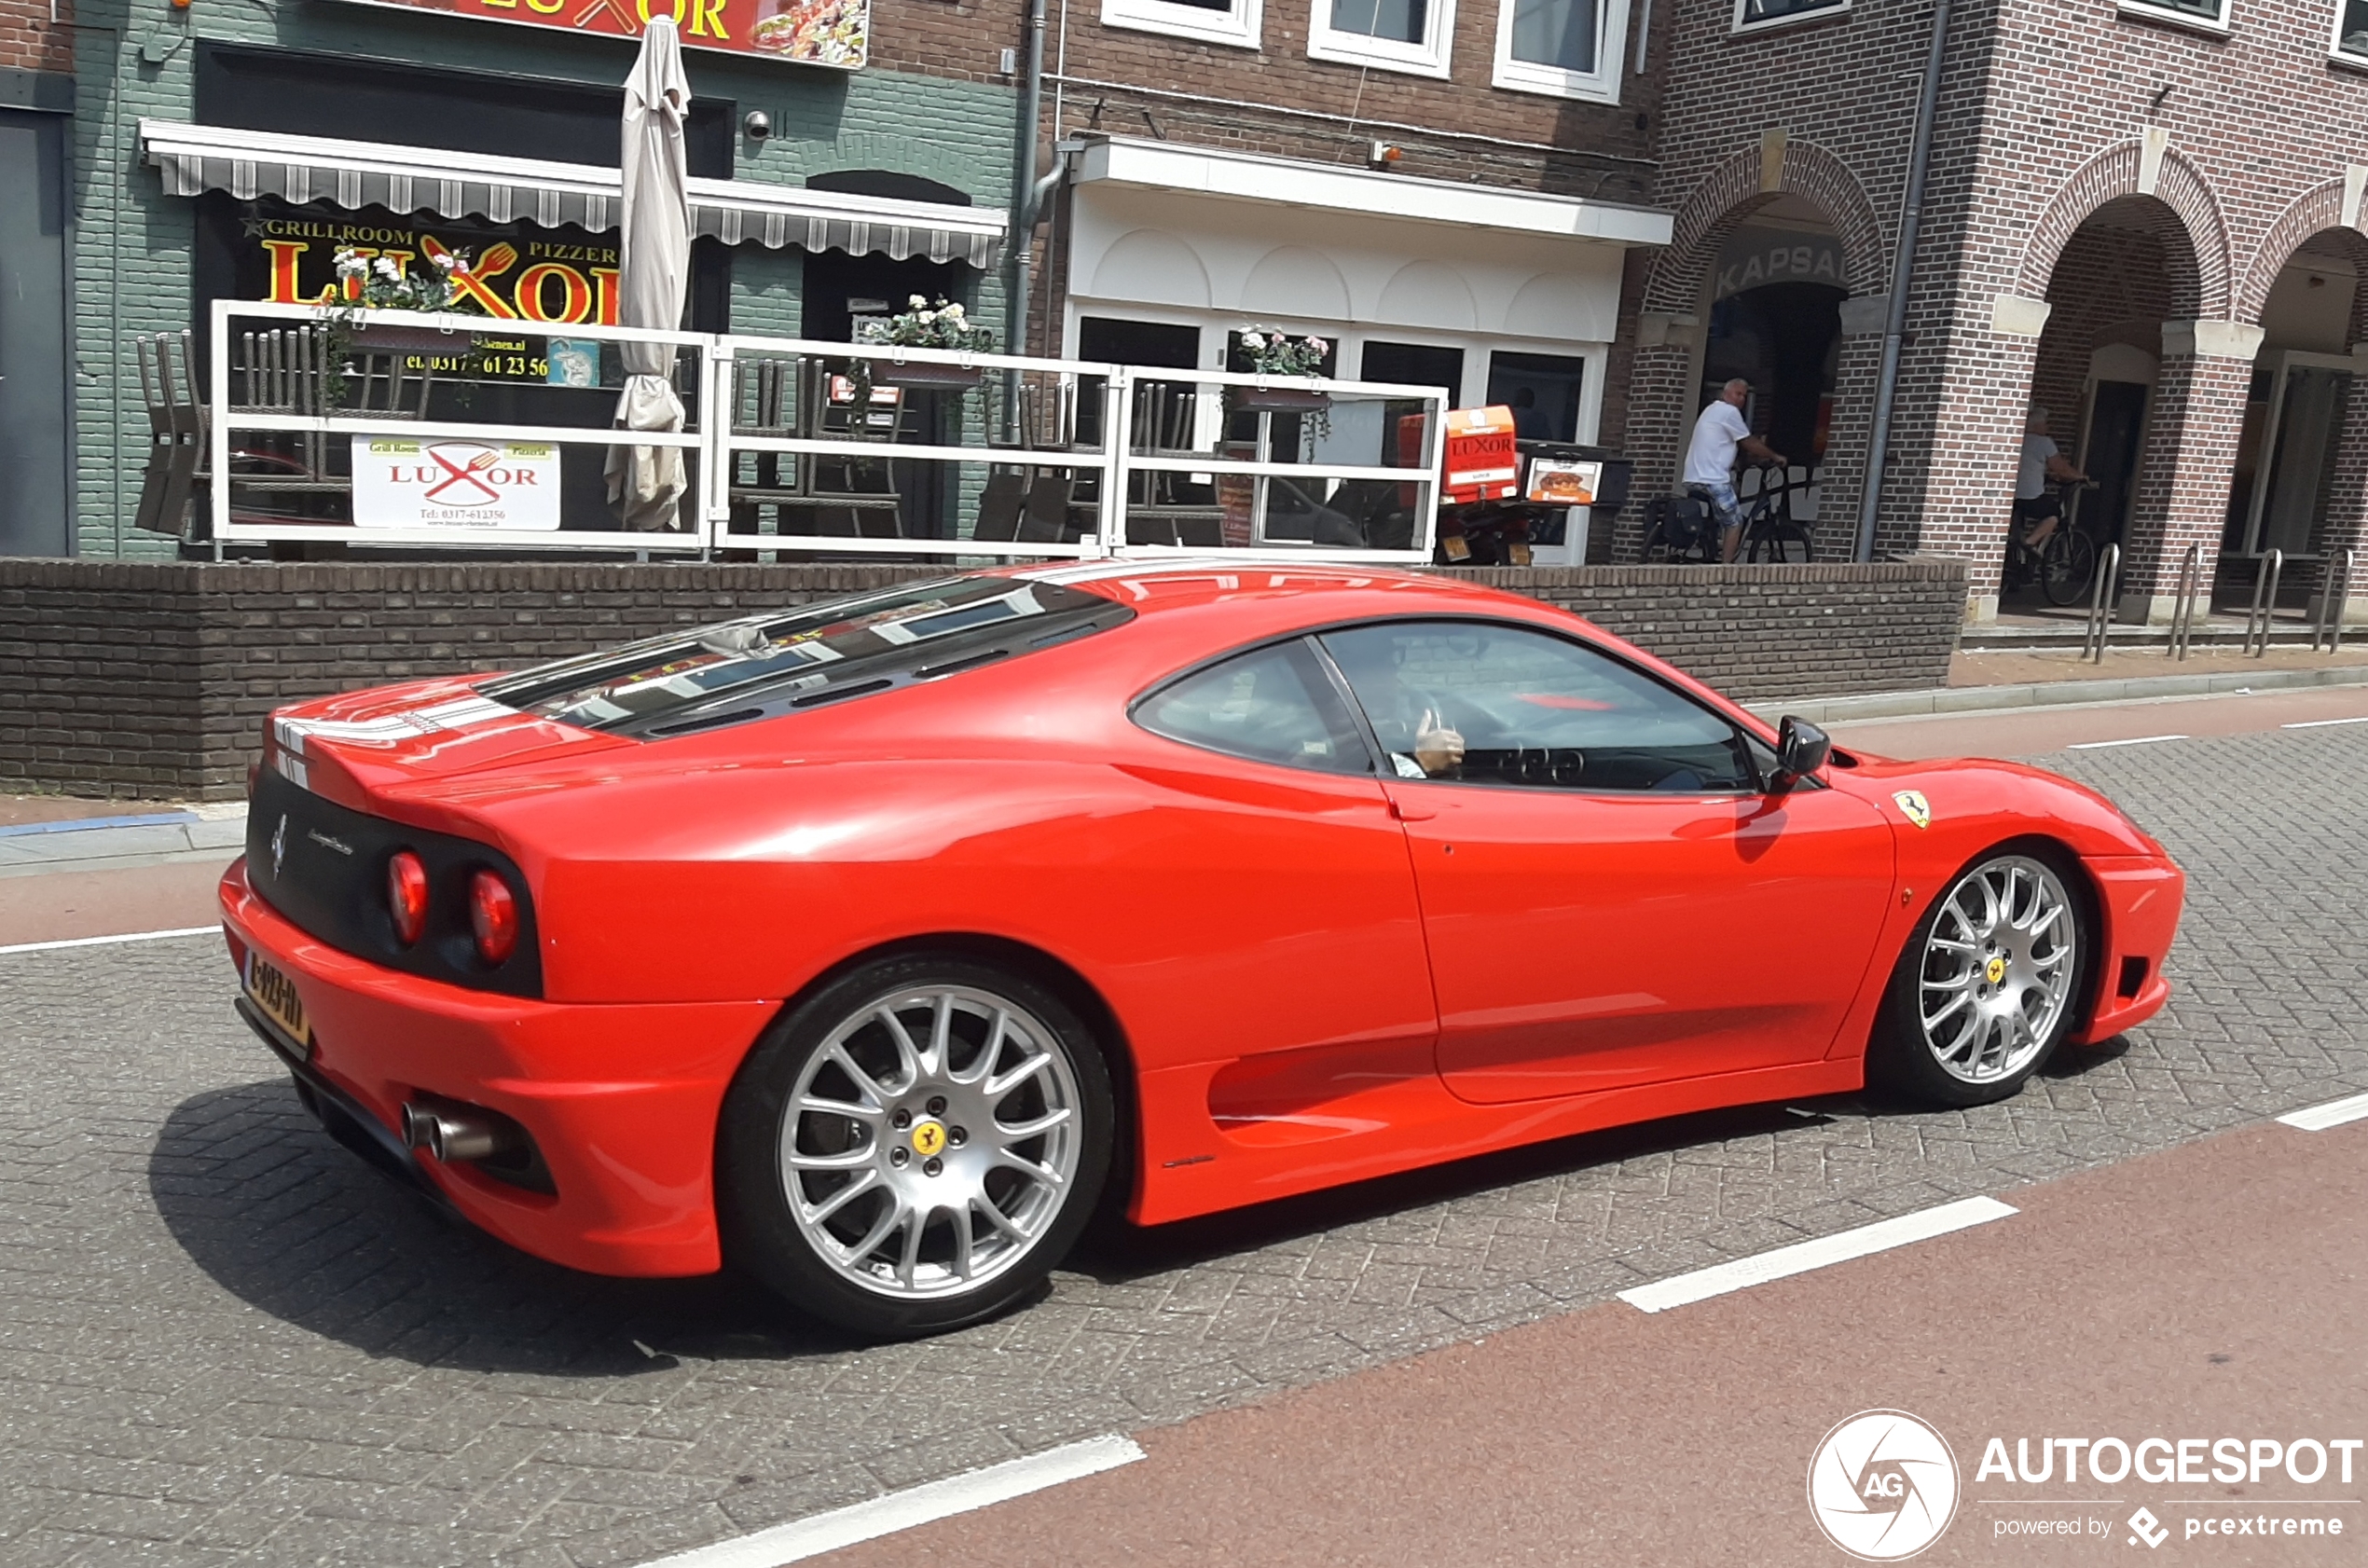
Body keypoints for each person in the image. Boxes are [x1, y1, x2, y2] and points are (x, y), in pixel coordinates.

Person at [1684, 379, 1788, 563]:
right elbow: (1748, 442)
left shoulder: (1711, 410)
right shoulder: (1729, 412)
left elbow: (1720, 444)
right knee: (1734, 522)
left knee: (1722, 511)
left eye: (1744, 396)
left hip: (1693, 477)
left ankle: (1712, 547)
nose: (1741, 399)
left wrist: (1738, 463)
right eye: (1737, 394)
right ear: (1725, 394)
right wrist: (1775, 456)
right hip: (1712, 479)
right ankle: (1725, 571)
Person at [2012, 406, 2088, 560]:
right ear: (2036, 426)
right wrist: (2081, 476)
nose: (2047, 427)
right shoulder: (2044, 442)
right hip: (2030, 498)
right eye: (2045, 424)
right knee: (2054, 514)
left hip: (2013, 496)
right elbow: (2061, 469)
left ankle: (2018, 556)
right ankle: (2028, 544)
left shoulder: (2018, 438)